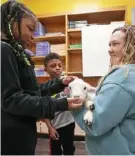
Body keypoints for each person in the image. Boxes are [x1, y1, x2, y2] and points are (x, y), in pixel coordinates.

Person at [1, 1, 83, 155]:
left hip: (24, 133)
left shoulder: (18, 53)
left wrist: (59, 84)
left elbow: (33, 92)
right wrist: (60, 104)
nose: (32, 36)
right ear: (12, 21)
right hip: (11, 138)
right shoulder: (3, 50)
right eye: (30, 29)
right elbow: (12, 99)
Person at [72, 25, 135, 155]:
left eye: (115, 44)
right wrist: (91, 91)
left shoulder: (123, 77)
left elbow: (95, 123)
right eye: (109, 44)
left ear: (131, 46)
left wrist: (75, 100)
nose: (109, 50)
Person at [43, 53, 75, 155]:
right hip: (55, 126)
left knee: (69, 149)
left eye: (60, 65)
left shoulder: (69, 83)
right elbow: (44, 111)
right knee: (55, 151)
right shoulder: (45, 89)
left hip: (69, 124)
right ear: (46, 70)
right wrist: (50, 128)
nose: (57, 68)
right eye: (53, 66)